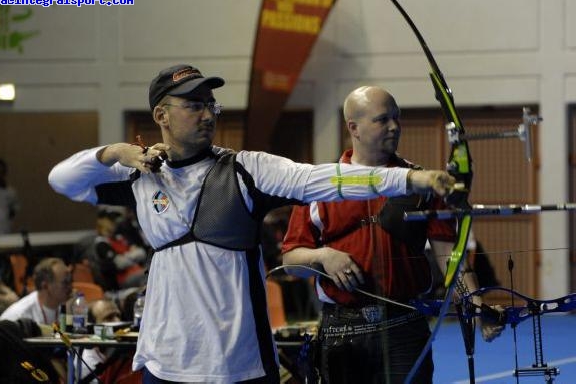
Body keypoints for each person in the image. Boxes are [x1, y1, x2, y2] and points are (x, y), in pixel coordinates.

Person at [47, 64, 456, 383]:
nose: (208, 114)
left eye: (211, 105)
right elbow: (61, 180)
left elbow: (328, 178)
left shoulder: (247, 169)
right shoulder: (139, 174)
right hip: (164, 360)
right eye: (194, 105)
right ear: (161, 115)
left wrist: (412, 178)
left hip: (238, 365)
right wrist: (114, 152)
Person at [282, 86, 504, 384]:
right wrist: (322, 257)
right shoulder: (319, 186)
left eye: (397, 118)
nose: (394, 126)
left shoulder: (421, 182)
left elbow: (450, 255)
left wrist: (475, 304)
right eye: (382, 119)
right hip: (343, 332)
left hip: (405, 326)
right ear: (354, 128)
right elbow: (290, 261)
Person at [0, 257, 73, 325]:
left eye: (71, 281)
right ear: (45, 286)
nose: (71, 287)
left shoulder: (68, 307)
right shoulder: (17, 316)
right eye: (65, 283)